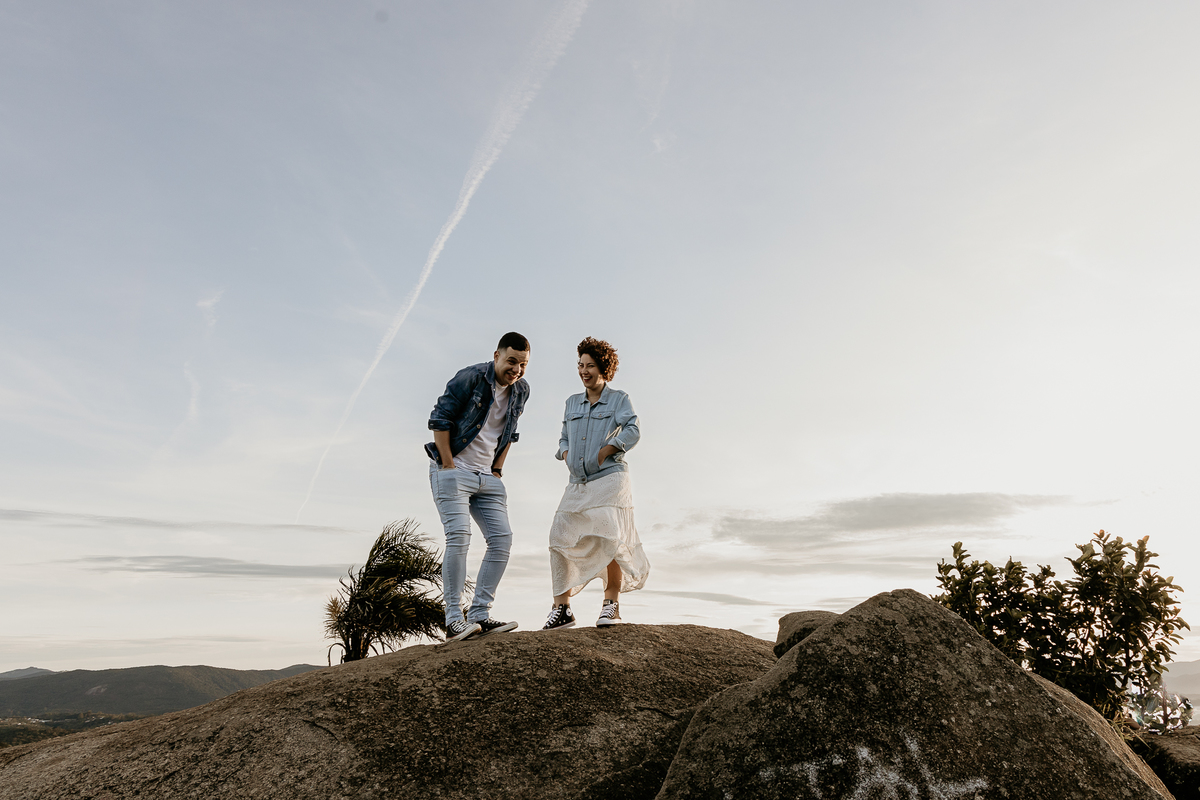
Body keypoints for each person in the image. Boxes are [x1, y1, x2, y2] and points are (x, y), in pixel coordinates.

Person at [426, 332, 530, 643]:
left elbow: (510, 433)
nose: (516, 370)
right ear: (497, 356)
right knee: (459, 537)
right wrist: (448, 465)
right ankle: (453, 620)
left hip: (488, 477)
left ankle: (480, 614)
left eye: (523, 365)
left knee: (502, 539)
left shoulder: (521, 390)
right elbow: (440, 419)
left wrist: (497, 470)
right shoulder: (471, 377)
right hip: (455, 470)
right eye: (511, 361)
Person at [543, 337, 649, 630]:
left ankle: (610, 605)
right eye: (580, 365)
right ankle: (562, 609)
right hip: (578, 481)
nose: (583, 371)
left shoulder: (619, 399)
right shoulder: (571, 402)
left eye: (590, 366)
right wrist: (565, 453)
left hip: (610, 478)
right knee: (559, 535)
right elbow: (564, 436)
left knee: (609, 536)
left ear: (603, 368)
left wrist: (608, 449)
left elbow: (633, 429)